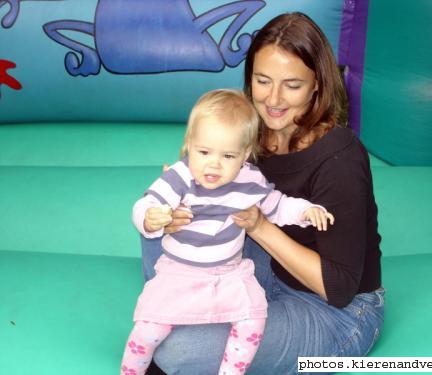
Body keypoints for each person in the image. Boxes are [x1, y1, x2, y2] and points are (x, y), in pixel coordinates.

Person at [143, 12, 384, 375]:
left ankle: (192, 322)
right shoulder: (251, 133)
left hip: (335, 310)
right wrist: (177, 208)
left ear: (317, 84)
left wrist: (258, 227)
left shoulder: (340, 158)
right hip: (266, 271)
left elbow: (338, 289)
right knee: (154, 221)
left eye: (292, 85)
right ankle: (190, 306)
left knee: (177, 351)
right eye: (262, 80)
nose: (273, 99)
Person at [122, 89, 334, 375]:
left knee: (252, 320)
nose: (214, 164)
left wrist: (306, 211)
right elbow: (145, 203)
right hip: (179, 272)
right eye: (204, 152)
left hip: (227, 274)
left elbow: (277, 205)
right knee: (149, 329)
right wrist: (150, 217)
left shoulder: (250, 181)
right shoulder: (181, 176)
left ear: (245, 155)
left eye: (228, 156)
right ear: (189, 145)